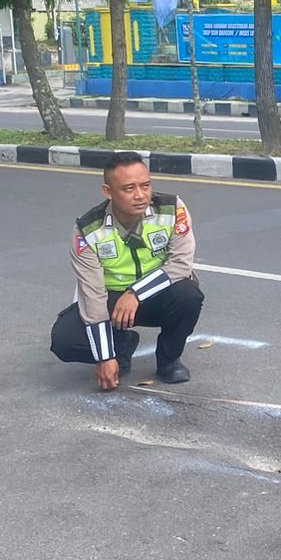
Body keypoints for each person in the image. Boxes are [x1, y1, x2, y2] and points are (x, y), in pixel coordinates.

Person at [50, 152, 205, 390]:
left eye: (145, 185)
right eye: (129, 188)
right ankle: (121, 345)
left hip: (157, 295)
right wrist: (105, 357)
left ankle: (168, 359)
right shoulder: (88, 230)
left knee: (188, 295)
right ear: (108, 192)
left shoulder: (172, 209)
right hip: (110, 300)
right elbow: (92, 293)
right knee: (64, 339)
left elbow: (181, 265)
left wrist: (135, 293)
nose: (141, 195)